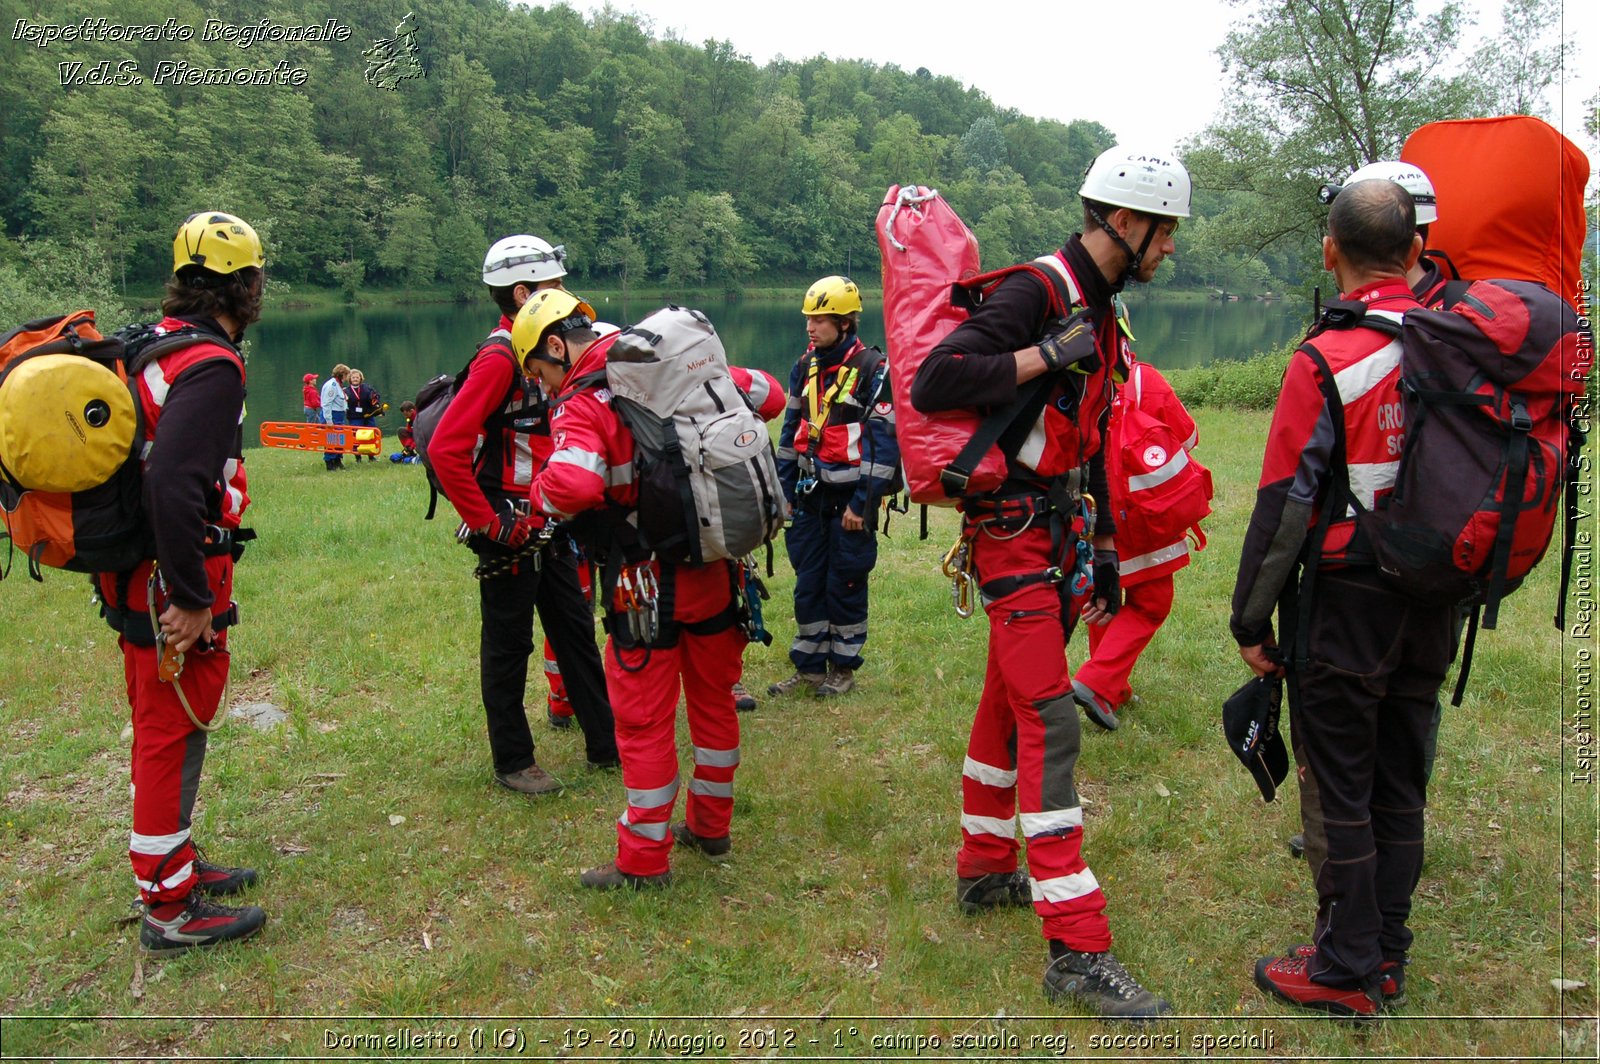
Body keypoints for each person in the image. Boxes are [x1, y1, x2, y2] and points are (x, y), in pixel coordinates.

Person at [909, 146, 1190, 1020]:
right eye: (1166, 234)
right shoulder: (1040, 292)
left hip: (1058, 534)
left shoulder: (1100, 309)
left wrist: (1106, 544)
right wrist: (1039, 355)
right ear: (1127, 222)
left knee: (1006, 702)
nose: (1170, 251)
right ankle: (1077, 950)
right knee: (1049, 720)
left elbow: (1096, 426)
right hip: (1012, 538)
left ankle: (986, 866)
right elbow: (934, 380)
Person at [1232, 179, 1450, 1018]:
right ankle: (1388, 955)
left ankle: (1344, 968)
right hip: (1433, 596)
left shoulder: (1327, 357)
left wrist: (1250, 618)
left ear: (1331, 251)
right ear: (1420, 253)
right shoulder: (1455, 346)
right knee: (1401, 777)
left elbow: (1286, 503)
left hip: (1347, 603)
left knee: (1342, 784)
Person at [512, 291, 784, 889]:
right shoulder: (676, 367)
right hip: (715, 569)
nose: (543, 388)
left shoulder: (581, 404)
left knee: (642, 721)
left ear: (556, 347)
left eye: (539, 372)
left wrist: (534, 500)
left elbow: (576, 484)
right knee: (714, 699)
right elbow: (770, 394)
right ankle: (711, 826)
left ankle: (642, 860)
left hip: (642, 584)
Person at [93, 211, 266, 951]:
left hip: (134, 571)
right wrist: (193, 599)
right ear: (245, 285)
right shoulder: (212, 364)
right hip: (168, 578)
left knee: (167, 725)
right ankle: (168, 908)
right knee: (169, 730)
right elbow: (170, 483)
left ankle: (176, 863)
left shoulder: (153, 344)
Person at [428, 234, 617, 795]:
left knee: (576, 629)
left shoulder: (554, 349)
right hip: (508, 522)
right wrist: (490, 523)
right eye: (554, 287)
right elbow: (445, 447)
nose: (565, 297)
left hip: (547, 517)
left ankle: (605, 745)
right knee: (509, 642)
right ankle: (513, 761)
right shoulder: (499, 358)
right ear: (521, 292)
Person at [769, 276, 900, 700]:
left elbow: (884, 446)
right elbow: (790, 435)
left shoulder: (874, 371)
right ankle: (808, 667)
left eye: (821, 320)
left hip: (849, 501)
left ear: (845, 324)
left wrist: (862, 504)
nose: (811, 327)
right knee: (808, 581)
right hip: (810, 496)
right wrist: (783, 493)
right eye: (809, 319)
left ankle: (842, 668)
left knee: (844, 583)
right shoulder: (804, 367)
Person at [1069, 348, 1206, 724]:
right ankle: (1097, 683)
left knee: (1103, 597)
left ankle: (1114, 687)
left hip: (1090, 512)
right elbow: (1189, 436)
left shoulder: (1073, 379)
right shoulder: (1144, 379)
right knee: (1152, 602)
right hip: (1144, 514)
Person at [344, 369, 381, 462]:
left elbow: (376, 398)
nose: (355, 379)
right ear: (350, 379)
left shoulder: (367, 388)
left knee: (370, 435)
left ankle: (371, 456)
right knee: (356, 436)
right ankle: (358, 457)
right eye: (353, 377)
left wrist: (375, 400)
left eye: (357, 377)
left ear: (361, 378)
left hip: (368, 415)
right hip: (354, 417)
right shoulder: (345, 391)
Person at [320, 364, 349, 471]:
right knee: (331, 440)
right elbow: (327, 404)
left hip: (339, 416)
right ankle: (329, 462)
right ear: (342, 374)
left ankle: (338, 460)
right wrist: (329, 420)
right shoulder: (331, 385)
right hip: (332, 415)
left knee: (340, 440)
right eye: (346, 375)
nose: (347, 378)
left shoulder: (339, 385)